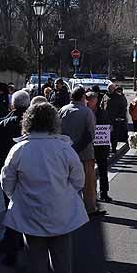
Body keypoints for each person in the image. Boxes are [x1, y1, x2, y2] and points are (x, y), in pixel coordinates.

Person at [1, 102, 87, 273]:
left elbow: (6, 180)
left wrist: (15, 197)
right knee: (63, 262)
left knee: (37, 263)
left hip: (30, 211)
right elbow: (78, 180)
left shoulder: (19, 148)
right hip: (61, 212)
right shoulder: (64, 148)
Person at [0, 89, 31, 266]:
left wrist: (2, 167)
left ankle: (12, 250)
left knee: (11, 209)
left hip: (8, 172)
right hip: (28, 172)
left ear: (12, 104)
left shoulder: (3, 124)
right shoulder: (32, 124)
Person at [59, 87, 99, 215]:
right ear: (82, 97)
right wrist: (77, 148)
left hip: (65, 152)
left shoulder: (62, 110)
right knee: (88, 183)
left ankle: (69, 207)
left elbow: (57, 131)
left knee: (67, 181)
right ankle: (89, 209)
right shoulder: (87, 112)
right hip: (85, 153)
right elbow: (91, 134)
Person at [88, 91, 114, 203]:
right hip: (88, 146)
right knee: (88, 172)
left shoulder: (102, 113)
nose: (89, 102)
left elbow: (109, 125)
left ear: (96, 101)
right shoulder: (84, 112)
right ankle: (90, 195)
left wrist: (109, 130)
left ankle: (104, 193)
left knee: (103, 171)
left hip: (101, 146)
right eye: (88, 99)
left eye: (91, 99)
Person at [104, 83, 129, 154]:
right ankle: (107, 149)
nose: (109, 90)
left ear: (114, 89)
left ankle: (114, 148)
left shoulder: (119, 97)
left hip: (116, 119)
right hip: (106, 119)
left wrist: (121, 117)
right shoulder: (105, 96)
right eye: (108, 88)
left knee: (114, 135)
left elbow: (123, 108)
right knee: (107, 135)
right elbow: (102, 106)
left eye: (111, 88)